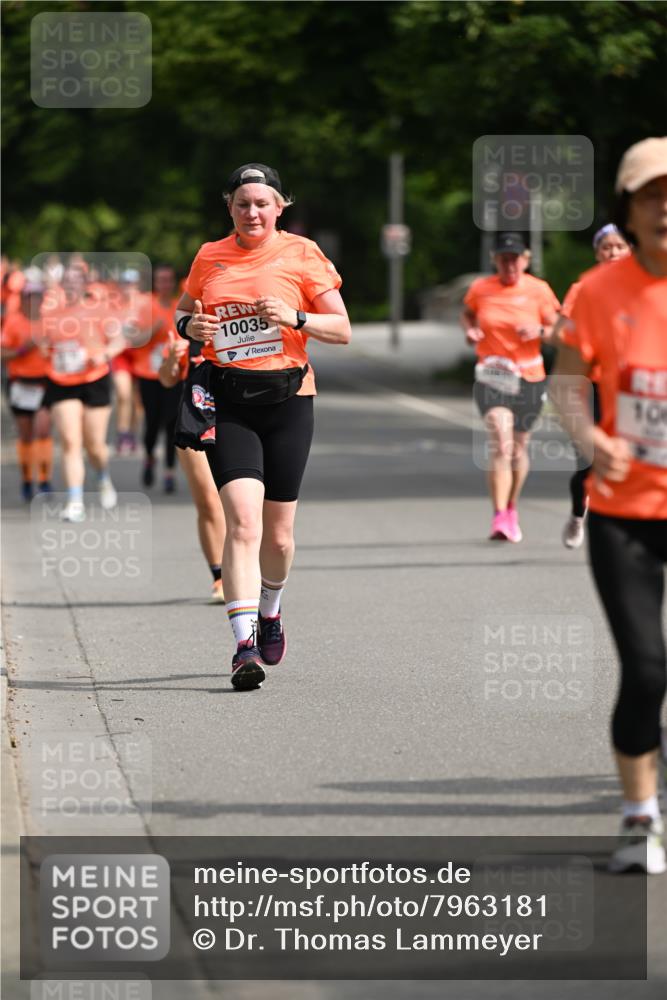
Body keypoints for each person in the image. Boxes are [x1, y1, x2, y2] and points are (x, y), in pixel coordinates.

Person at [175, 163, 350, 689]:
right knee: (244, 524)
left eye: (262, 203)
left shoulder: (303, 254)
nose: (252, 212)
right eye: (243, 203)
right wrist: (192, 325)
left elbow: (341, 329)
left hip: (289, 400)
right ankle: (244, 643)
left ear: (280, 207)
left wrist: (296, 318)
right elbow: (182, 315)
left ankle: (271, 608)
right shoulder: (210, 255)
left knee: (278, 533)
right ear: (229, 207)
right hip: (229, 403)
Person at [551, 136, 667, 874]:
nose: (665, 210)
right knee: (648, 668)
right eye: (651, 196)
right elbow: (564, 384)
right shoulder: (596, 293)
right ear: (625, 208)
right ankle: (637, 821)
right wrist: (592, 436)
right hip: (624, 511)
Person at [461, 233, 560, 542]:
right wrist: (471, 330)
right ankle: (499, 516)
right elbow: (467, 314)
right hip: (492, 376)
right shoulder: (481, 288)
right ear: (495, 261)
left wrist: (540, 330)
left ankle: (512, 507)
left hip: (529, 377)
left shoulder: (538, 290)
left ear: (526, 260)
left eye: (515, 258)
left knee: (518, 448)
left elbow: (560, 331)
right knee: (501, 443)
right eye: (504, 259)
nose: (510, 265)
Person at [555, 224, 630, 548]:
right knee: (587, 462)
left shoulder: (645, 286)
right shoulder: (584, 288)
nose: (612, 253)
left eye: (619, 247)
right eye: (606, 248)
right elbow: (560, 332)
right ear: (597, 252)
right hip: (591, 386)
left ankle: (628, 525)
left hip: (630, 388)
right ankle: (577, 512)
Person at [41, 264, 126, 522]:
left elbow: (119, 340)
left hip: (94, 379)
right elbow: (44, 344)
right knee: (70, 441)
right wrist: (49, 351)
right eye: (67, 281)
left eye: (77, 281)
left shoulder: (99, 310)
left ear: (85, 284)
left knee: (95, 445)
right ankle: (75, 500)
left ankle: (102, 476)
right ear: (62, 285)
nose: (72, 285)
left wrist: (104, 354)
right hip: (62, 380)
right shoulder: (50, 314)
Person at [159, 332, 227, 602]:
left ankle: (247, 568)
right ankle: (220, 576)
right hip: (196, 420)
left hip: (240, 418)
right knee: (209, 500)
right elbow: (166, 378)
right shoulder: (184, 326)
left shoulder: (238, 315)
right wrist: (172, 360)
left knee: (244, 501)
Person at [130, 265, 181, 492]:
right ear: (155, 283)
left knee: (172, 423)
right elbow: (135, 339)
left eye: (168, 280)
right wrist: (153, 330)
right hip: (148, 374)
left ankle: (169, 471)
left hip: (173, 373)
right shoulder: (145, 306)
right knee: (152, 422)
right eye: (161, 280)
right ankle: (150, 456)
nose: (165, 284)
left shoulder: (180, 305)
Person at [1, 278, 53, 499]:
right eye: (29, 297)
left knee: (42, 430)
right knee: (26, 435)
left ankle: (44, 480)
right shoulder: (13, 322)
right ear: (22, 299)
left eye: (38, 296)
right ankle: (26, 480)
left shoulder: (50, 322)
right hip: (21, 383)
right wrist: (24, 350)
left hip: (45, 381)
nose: (34, 301)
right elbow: (2, 353)